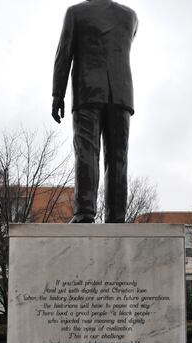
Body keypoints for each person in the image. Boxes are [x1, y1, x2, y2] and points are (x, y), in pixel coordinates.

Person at [52, 0, 138, 223]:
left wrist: (57, 94)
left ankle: (85, 212)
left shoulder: (75, 13)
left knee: (87, 151)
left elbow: (64, 54)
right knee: (118, 157)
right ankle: (117, 216)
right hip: (121, 94)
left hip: (88, 90)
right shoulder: (130, 16)